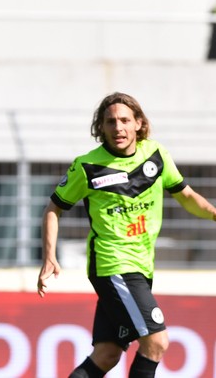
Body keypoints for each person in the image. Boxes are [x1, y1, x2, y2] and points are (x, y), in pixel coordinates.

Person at [37, 92, 216, 377]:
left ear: (138, 123)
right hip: (114, 266)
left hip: (141, 266)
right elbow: (53, 209)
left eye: (124, 120)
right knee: (157, 341)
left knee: (107, 354)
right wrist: (49, 256)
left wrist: (213, 213)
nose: (117, 127)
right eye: (110, 122)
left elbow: (186, 196)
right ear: (101, 128)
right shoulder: (87, 166)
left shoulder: (156, 155)